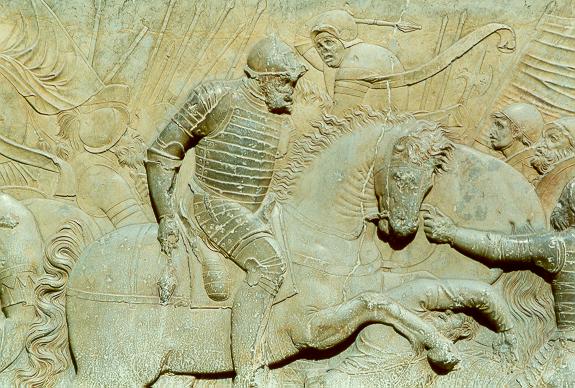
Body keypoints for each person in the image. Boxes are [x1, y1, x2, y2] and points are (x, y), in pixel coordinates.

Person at [145, 35, 307, 387]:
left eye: (293, 82)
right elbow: (161, 155)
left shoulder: (276, 111)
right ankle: (248, 370)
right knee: (268, 263)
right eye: (283, 81)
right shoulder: (216, 97)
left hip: (255, 210)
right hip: (210, 205)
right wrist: (166, 214)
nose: (291, 90)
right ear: (257, 78)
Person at [422, 178, 575, 384]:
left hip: (567, 353)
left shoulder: (560, 246)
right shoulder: (560, 246)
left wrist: (450, 233)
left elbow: (499, 247)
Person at [295, 10, 408, 115]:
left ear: (345, 39)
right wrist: (340, 18)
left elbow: (340, 116)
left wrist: (344, 19)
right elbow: (300, 41)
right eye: (319, 46)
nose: (324, 50)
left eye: (329, 42)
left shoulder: (355, 59)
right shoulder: (363, 52)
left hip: (377, 126)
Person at [488, 103, 544, 183]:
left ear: (516, 132)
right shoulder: (505, 163)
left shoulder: (526, 171)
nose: (492, 131)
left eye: (500, 126)